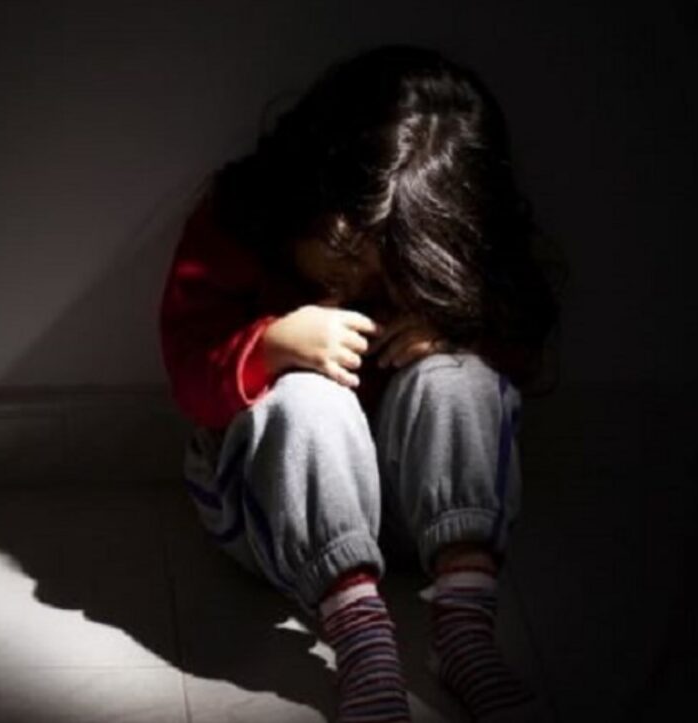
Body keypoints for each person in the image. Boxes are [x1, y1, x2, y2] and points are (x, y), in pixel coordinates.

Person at [159, 43, 565, 723]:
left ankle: (465, 632)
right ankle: (362, 642)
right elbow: (187, 375)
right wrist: (269, 347)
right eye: (345, 250)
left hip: (417, 518)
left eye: (388, 262)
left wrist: (458, 330)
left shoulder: (454, 254)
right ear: (307, 194)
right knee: (307, 397)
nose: (357, 278)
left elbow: (522, 349)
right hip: (275, 517)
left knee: (459, 377)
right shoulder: (239, 221)